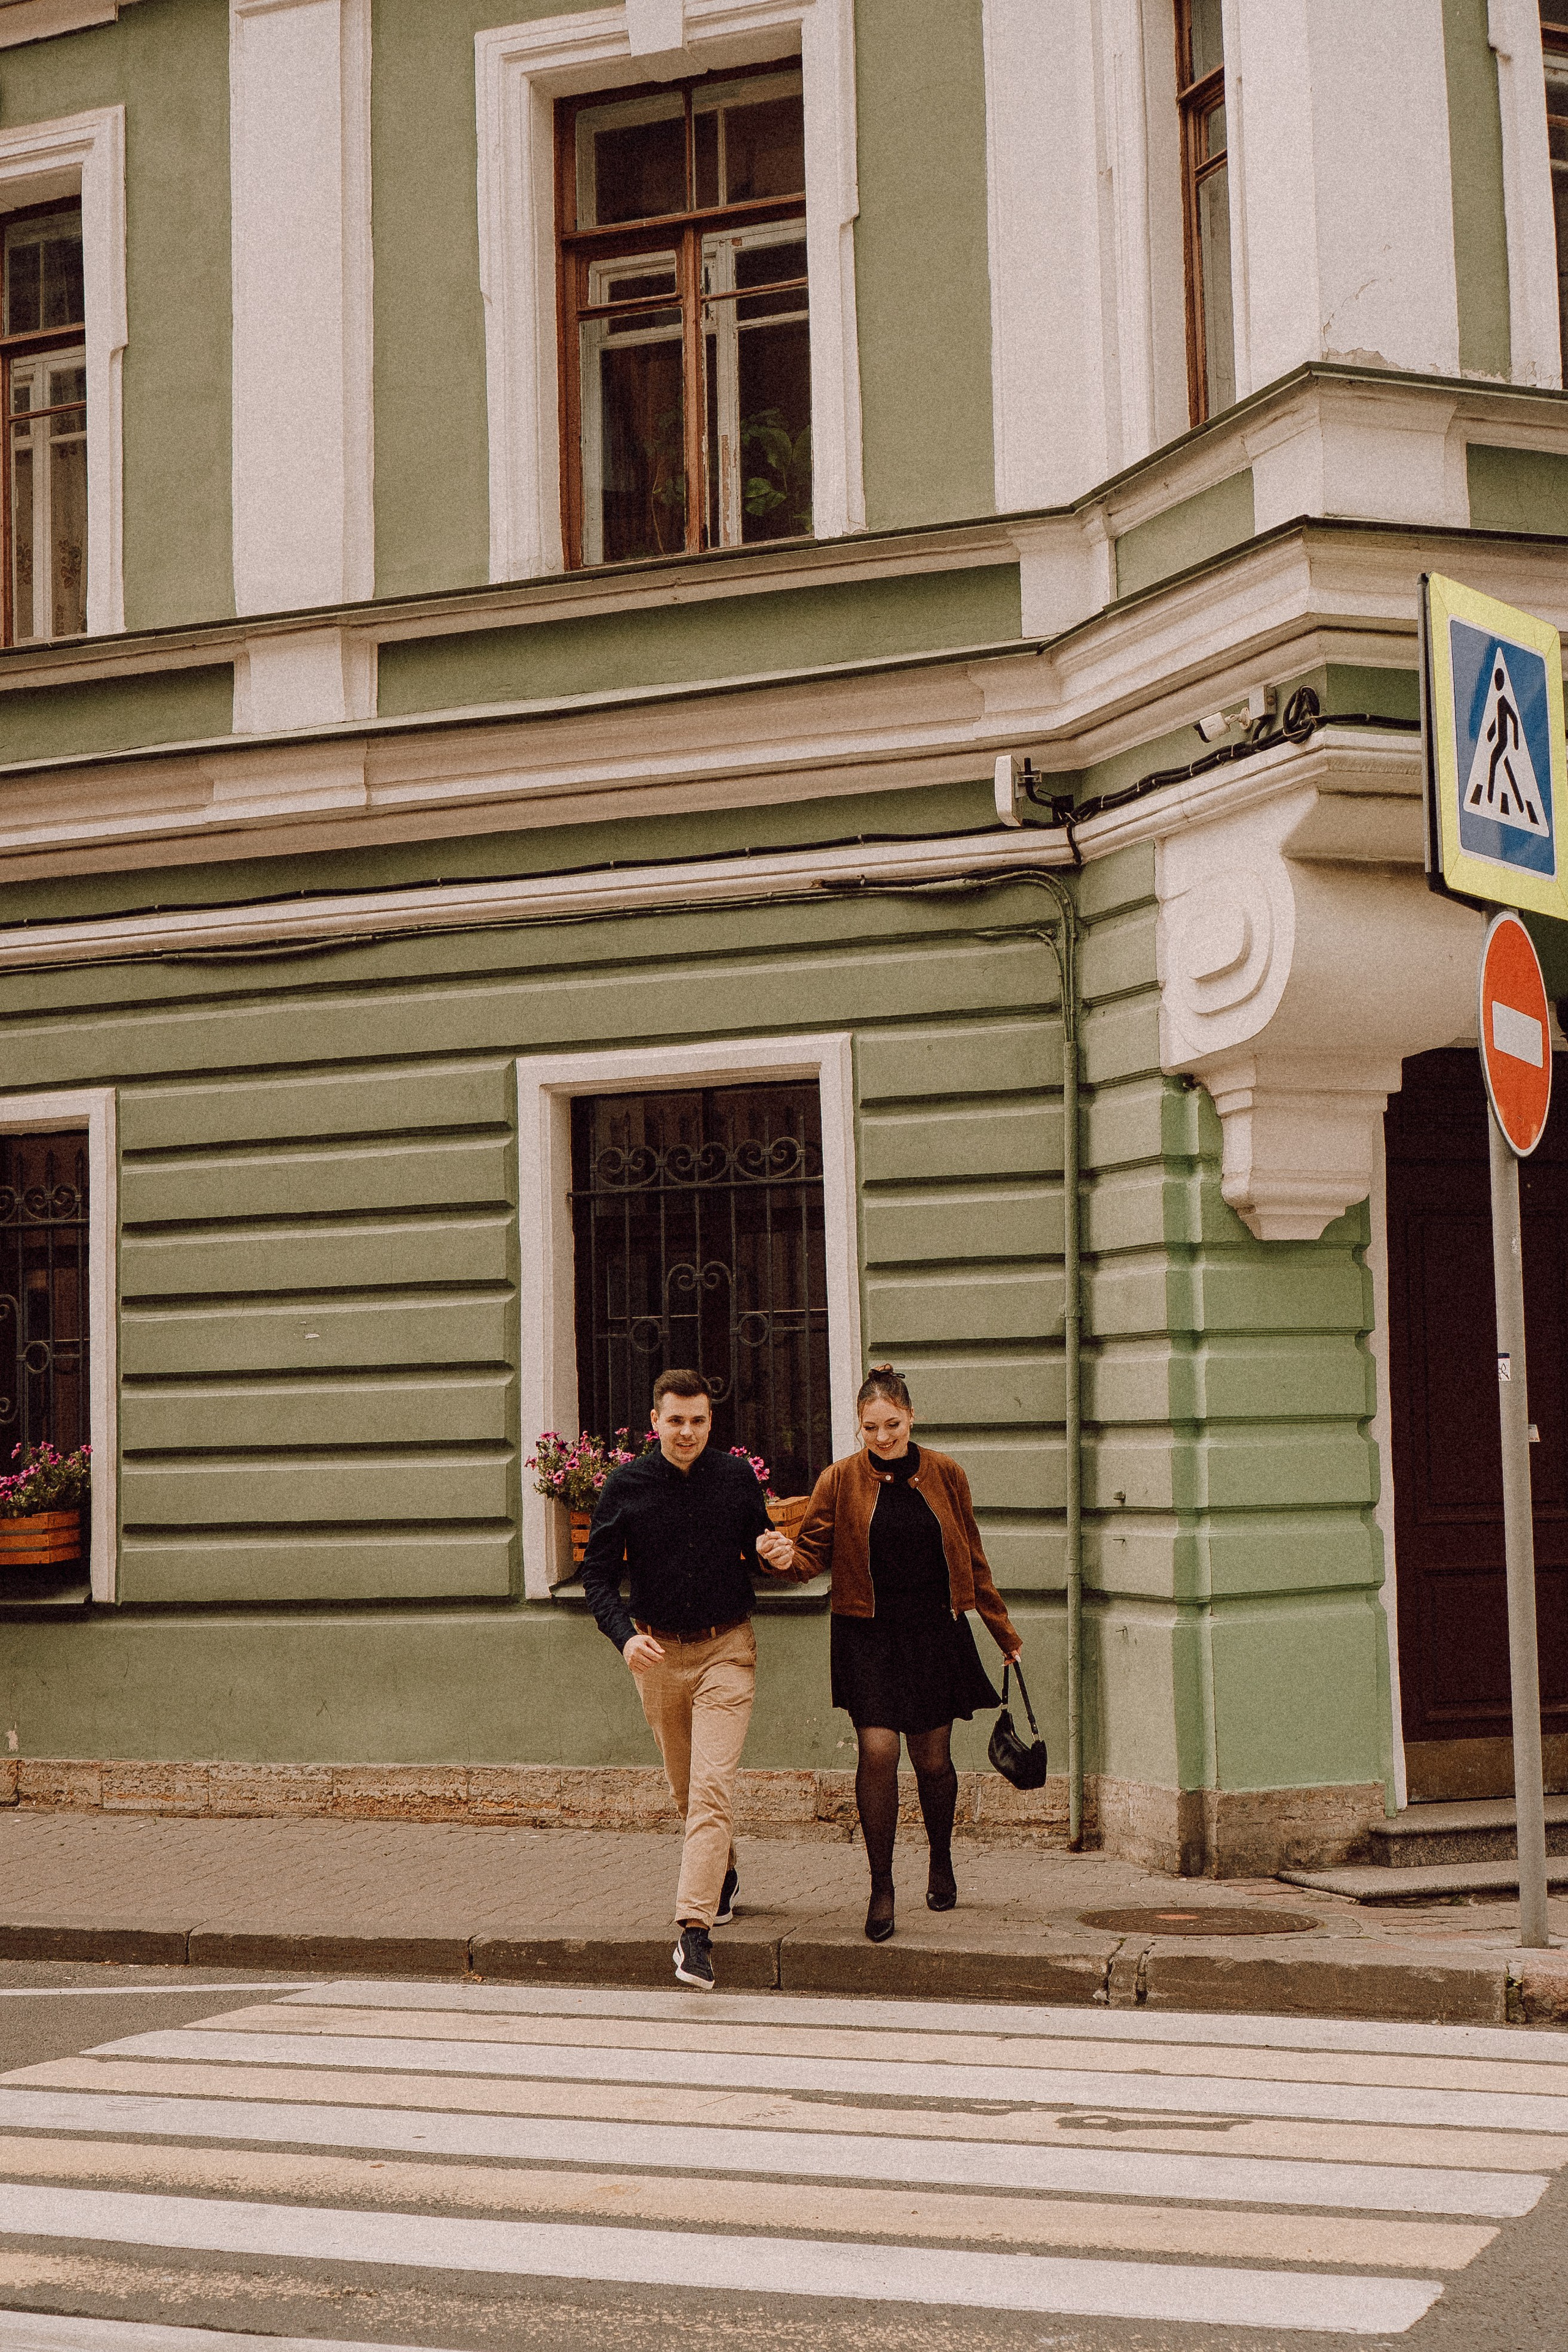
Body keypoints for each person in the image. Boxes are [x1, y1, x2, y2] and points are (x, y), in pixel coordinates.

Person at [580, 1368, 798, 1991]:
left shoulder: (734, 1477)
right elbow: (597, 1574)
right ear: (655, 1421)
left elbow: (756, 1545)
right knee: (686, 1792)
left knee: (710, 1789)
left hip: (727, 1650)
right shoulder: (626, 1485)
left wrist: (775, 1554)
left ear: (710, 1421)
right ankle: (722, 1874)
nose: (687, 1432)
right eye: (675, 1420)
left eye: (698, 1421)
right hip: (657, 1657)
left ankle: (694, 1934)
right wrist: (625, 1638)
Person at [793, 1365, 1021, 1942]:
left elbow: (972, 1556)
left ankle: (940, 1859)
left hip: (932, 1631)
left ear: (911, 1417)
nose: (882, 1437)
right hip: (865, 1632)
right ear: (859, 1425)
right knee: (878, 1751)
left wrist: (1003, 1633)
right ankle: (882, 1887)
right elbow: (810, 1555)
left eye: (892, 1425)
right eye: (871, 1427)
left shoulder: (946, 1473)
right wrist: (780, 1558)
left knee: (932, 1759)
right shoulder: (839, 1480)